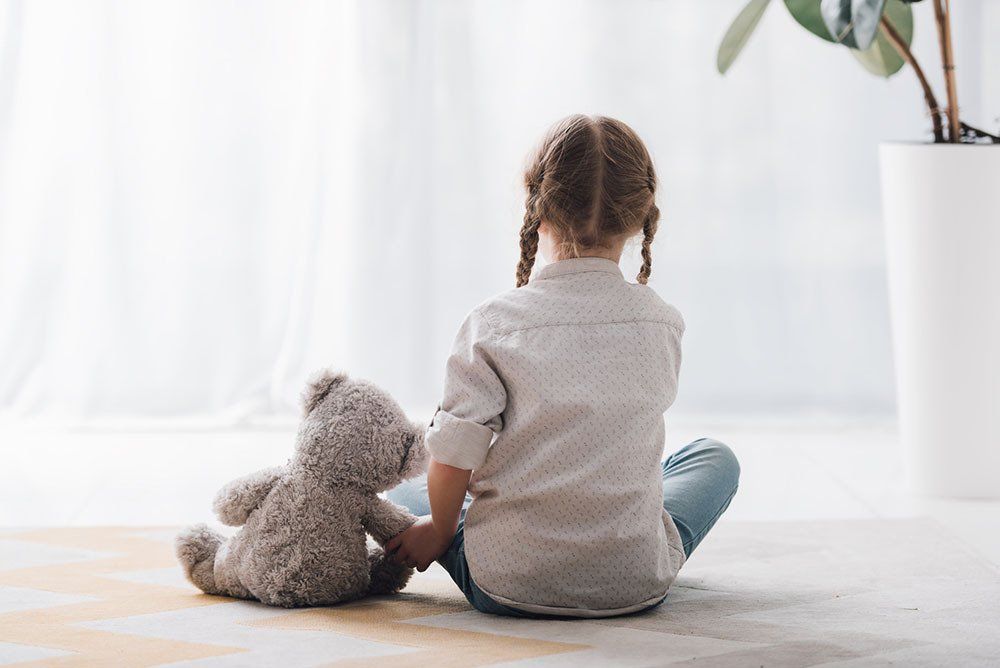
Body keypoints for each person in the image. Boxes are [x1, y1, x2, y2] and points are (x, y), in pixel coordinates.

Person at [386, 115, 740, 618]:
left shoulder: (493, 323)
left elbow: (453, 454)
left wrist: (440, 532)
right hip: (634, 584)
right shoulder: (664, 322)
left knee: (409, 490)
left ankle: (455, 526)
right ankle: (628, 543)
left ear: (537, 208)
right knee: (714, 457)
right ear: (641, 216)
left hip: (505, 583)